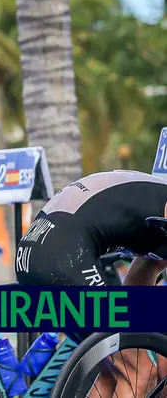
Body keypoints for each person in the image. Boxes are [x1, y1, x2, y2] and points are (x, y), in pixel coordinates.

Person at [15, 169, 167, 397]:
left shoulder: (153, 224)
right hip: (62, 256)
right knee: (139, 371)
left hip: (31, 256)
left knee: (113, 368)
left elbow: (137, 290)